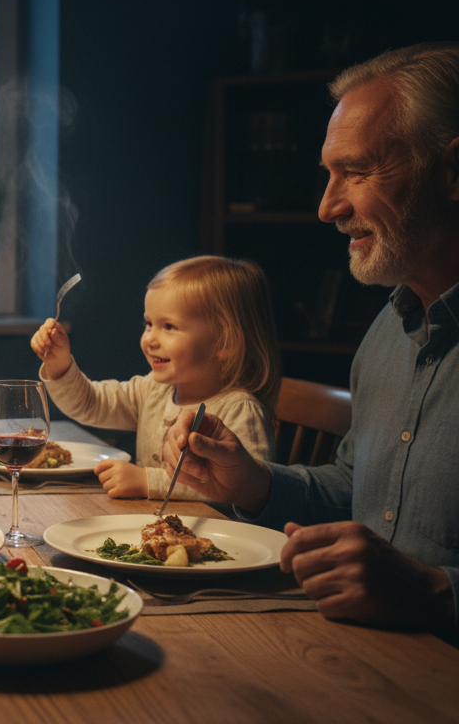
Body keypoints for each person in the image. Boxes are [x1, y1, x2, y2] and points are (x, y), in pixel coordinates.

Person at [163, 42, 459, 636]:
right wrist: (254, 482)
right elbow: (358, 489)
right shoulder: (387, 332)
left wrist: (433, 590)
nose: (327, 207)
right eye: (329, 174)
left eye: (358, 171)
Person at [30, 255, 280, 500]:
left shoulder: (240, 411)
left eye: (169, 326)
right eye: (149, 324)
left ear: (224, 342)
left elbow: (247, 491)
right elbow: (90, 403)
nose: (149, 339)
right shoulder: (153, 390)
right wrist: (60, 365)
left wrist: (148, 481)